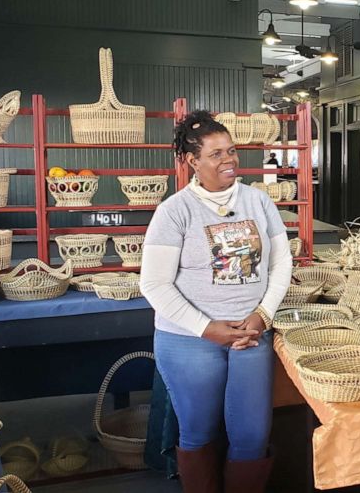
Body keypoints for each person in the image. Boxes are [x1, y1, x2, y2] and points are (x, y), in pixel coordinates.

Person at [140, 110, 293, 493]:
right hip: (189, 340)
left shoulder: (259, 202)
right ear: (192, 161)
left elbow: (281, 263)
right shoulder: (174, 211)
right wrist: (208, 329)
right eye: (216, 154)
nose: (229, 160)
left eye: (232, 151)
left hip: (250, 334)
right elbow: (154, 285)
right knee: (198, 432)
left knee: (252, 435)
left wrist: (262, 314)